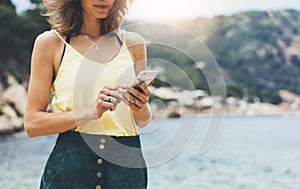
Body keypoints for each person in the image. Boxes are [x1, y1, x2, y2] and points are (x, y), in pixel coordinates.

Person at [24, 0, 152, 188]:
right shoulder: (51, 43)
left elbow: (142, 120)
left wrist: (140, 106)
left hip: (127, 170)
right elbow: (32, 124)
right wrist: (92, 111)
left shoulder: (134, 43)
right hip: (70, 169)